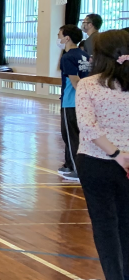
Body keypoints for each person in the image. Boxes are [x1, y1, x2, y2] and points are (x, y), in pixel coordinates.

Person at [73, 29, 129, 280]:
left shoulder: (88, 85)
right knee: (126, 218)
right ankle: (125, 274)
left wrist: (116, 153)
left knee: (105, 221)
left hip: (96, 161)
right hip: (126, 164)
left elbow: (87, 126)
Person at [58, 24, 90, 183]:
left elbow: (76, 81)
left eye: (59, 35)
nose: (58, 38)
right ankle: (69, 164)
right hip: (82, 103)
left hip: (71, 102)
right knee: (74, 135)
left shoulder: (67, 57)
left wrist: (83, 98)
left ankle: (77, 170)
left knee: (70, 136)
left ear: (67, 38)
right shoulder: (84, 55)